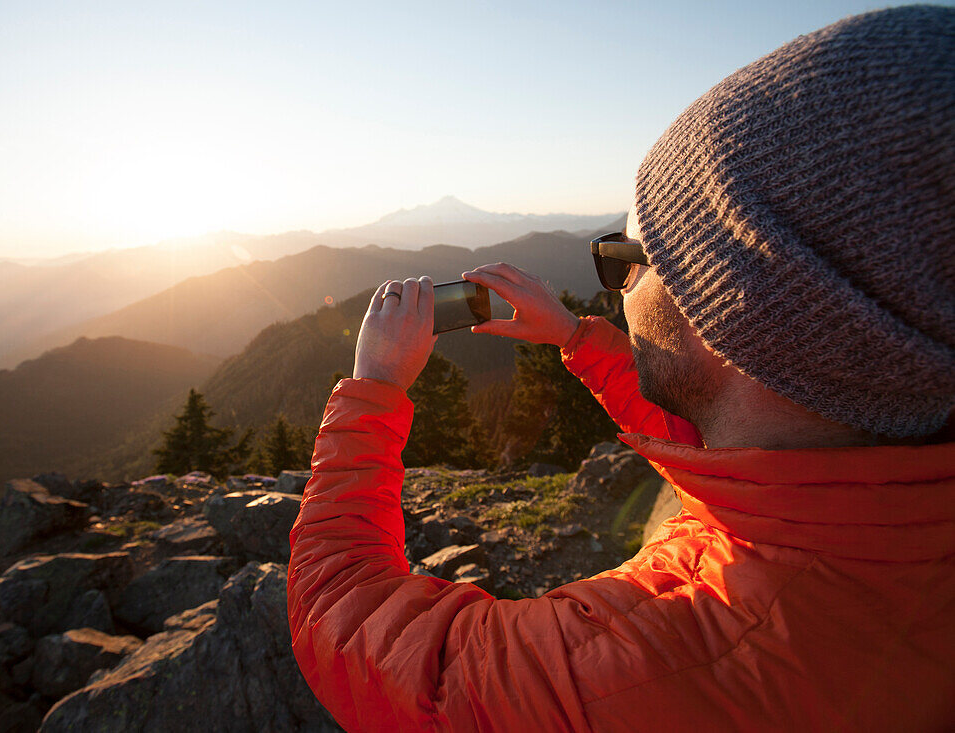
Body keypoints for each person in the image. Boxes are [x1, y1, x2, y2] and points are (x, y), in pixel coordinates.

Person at [287, 6, 955, 731]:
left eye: (634, 261)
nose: (618, 282)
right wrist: (577, 338)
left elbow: (351, 625)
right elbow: (743, 445)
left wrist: (375, 388)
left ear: (734, 309)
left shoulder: (635, 670)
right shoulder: (891, 486)